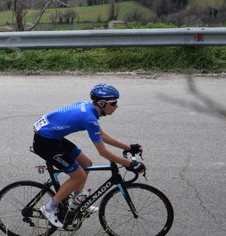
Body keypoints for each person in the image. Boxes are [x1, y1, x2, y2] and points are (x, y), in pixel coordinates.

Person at [32, 83, 144, 228]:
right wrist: (129, 164)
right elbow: (103, 152)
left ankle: (77, 201)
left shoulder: (89, 109)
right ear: (102, 103)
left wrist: (129, 147)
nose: (116, 106)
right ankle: (49, 208)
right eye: (114, 103)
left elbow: (102, 135)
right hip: (45, 142)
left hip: (52, 136)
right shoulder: (89, 118)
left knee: (87, 163)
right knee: (79, 176)